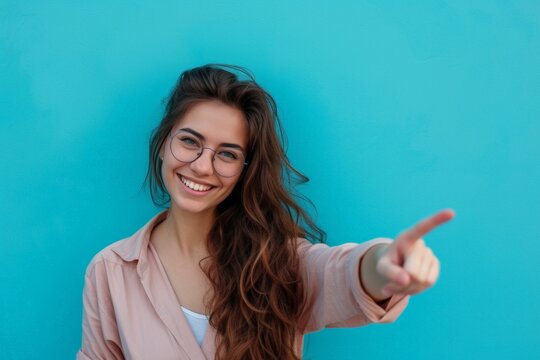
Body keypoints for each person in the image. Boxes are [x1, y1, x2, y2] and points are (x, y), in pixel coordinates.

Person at [76, 64, 455, 360]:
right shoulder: (110, 271)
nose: (203, 166)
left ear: (244, 170)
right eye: (190, 141)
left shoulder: (277, 261)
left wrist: (384, 262)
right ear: (163, 144)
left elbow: (340, 273)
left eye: (227, 153)